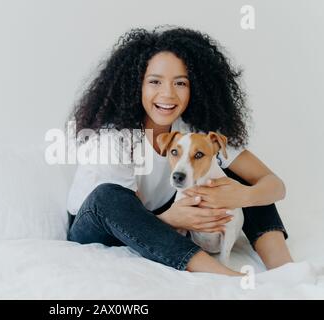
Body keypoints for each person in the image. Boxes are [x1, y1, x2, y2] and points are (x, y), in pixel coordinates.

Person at [65, 27, 293, 276]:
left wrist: (242, 197)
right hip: (97, 223)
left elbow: (275, 185)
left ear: (195, 88)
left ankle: (284, 271)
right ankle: (224, 276)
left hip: (158, 216)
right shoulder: (116, 140)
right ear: (136, 85)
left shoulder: (196, 134)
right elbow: (126, 216)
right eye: (154, 81)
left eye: (180, 83)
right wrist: (171, 219)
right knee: (108, 195)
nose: (168, 94)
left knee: (240, 181)